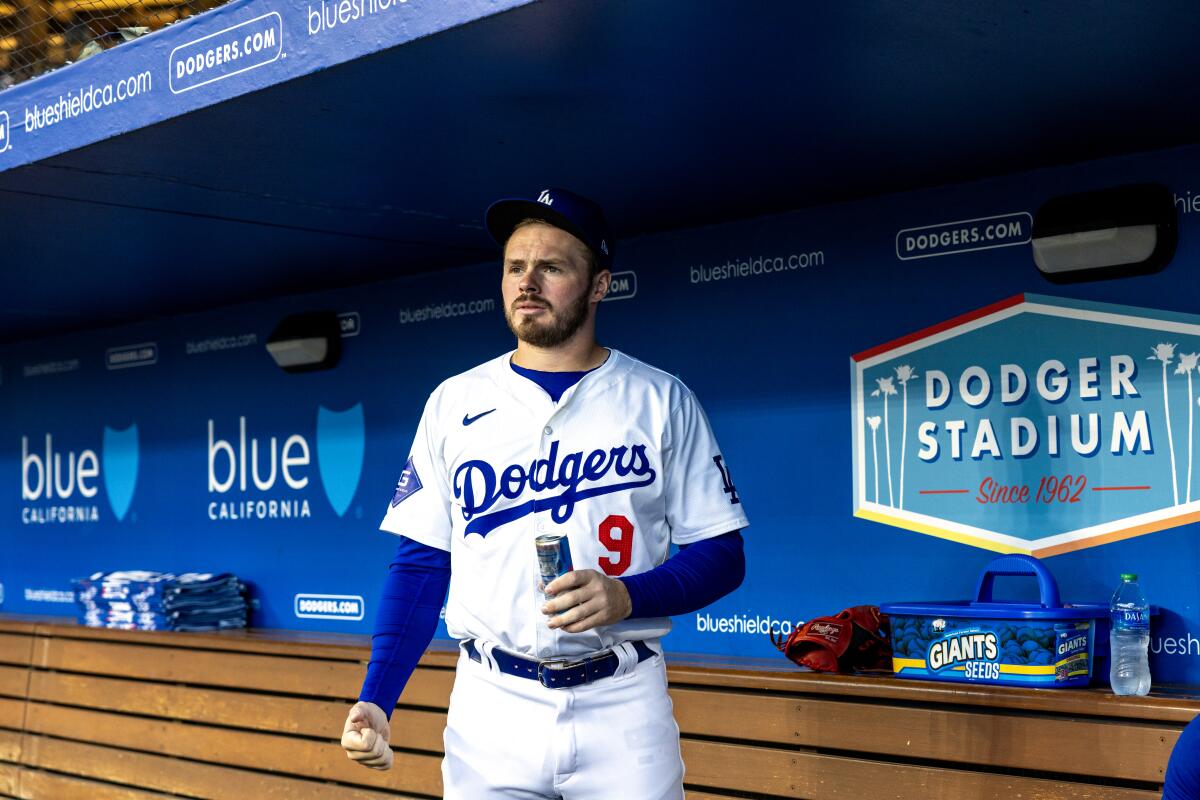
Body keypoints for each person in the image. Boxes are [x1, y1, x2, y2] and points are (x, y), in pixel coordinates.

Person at [340, 187, 749, 799]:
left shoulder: (661, 399)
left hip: (622, 700)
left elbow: (722, 555)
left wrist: (626, 596)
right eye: (514, 267)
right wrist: (377, 699)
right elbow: (422, 563)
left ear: (599, 285)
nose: (526, 282)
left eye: (551, 267)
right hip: (491, 707)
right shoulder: (454, 401)